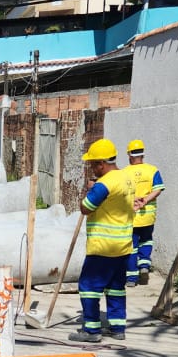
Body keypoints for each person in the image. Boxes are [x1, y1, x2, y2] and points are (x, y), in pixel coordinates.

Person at [71, 138, 135, 343]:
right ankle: (117, 328)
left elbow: (85, 207)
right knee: (116, 288)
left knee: (89, 287)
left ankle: (91, 330)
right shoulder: (126, 178)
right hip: (122, 246)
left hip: (102, 247)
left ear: (101, 164)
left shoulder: (104, 184)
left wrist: (91, 189)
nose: (92, 169)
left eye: (93, 165)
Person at [124, 139, 165, 286]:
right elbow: (158, 189)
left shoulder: (124, 172)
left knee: (131, 246)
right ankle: (144, 265)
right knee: (146, 240)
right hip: (148, 216)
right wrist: (146, 199)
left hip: (132, 217)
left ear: (129, 155)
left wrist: (133, 199)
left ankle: (131, 279)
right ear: (143, 154)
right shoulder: (152, 170)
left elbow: (121, 193)